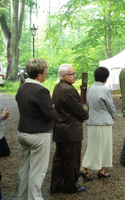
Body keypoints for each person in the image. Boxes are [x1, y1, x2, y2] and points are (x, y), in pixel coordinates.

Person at [15, 58, 57, 199]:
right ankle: (35, 197)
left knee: (25, 168)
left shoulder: (22, 88)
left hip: (23, 132)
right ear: (39, 75)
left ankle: (21, 196)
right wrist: (53, 109)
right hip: (38, 134)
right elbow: (50, 115)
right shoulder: (41, 90)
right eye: (45, 73)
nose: (46, 76)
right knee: (37, 170)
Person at [50, 64, 89, 194]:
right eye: (71, 74)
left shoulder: (57, 87)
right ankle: (70, 186)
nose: (75, 76)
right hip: (71, 130)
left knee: (59, 158)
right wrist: (85, 115)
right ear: (63, 76)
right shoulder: (69, 90)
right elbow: (78, 109)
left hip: (60, 128)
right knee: (72, 159)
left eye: (74, 73)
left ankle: (56, 184)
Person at [80, 67, 116, 181]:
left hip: (92, 120)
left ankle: (102, 170)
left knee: (94, 145)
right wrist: (113, 114)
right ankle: (84, 168)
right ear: (106, 78)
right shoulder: (105, 90)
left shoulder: (90, 88)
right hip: (103, 121)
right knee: (103, 146)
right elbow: (110, 106)